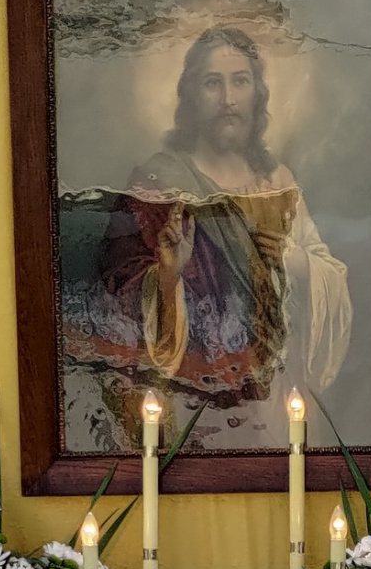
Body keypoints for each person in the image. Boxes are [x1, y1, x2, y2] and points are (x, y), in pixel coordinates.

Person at [97, 26, 352, 423]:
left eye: (240, 81)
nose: (229, 99)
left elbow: (327, 272)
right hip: (193, 399)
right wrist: (167, 276)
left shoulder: (277, 181)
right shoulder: (157, 184)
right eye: (212, 83)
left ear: (257, 92)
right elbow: (113, 293)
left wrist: (297, 263)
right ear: (192, 96)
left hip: (275, 398)